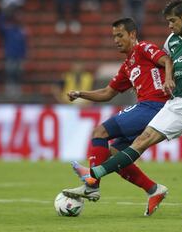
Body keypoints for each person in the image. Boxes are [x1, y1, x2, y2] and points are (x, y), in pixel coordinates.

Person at [85, 0, 182, 220]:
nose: (170, 25)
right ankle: (96, 174)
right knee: (141, 140)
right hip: (173, 102)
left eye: (173, 21)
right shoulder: (172, 41)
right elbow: (165, 61)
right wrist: (159, 80)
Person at [62, 18, 173, 216]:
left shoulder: (144, 48)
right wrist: (81, 93)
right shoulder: (127, 66)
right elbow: (107, 93)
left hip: (154, 106)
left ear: (132, 34)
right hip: (148, 108)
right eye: (114, 36)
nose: (116, 40)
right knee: (115, 155)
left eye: (120, 35)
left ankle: (92, 185)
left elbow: (166, 60)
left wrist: (169, 80)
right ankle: (154, 190)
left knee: (100, 131)